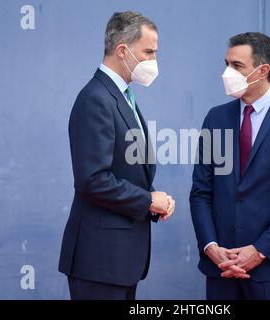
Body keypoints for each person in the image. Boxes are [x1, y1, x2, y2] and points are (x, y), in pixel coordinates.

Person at [190, 32, 270, 300]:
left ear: (263, 71)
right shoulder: (216, 118)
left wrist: (260, 249)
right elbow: (201, 191)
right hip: (221, 269)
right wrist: (211, 246)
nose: (227, 72)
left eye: (236, 66)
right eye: (226, 64)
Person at [58, 11, 175, 300]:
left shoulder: (120, 95)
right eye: (148, 52)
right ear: (123, 50)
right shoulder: (96, 98)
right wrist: (147, 199)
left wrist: (151, 202)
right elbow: (93, 180)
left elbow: (124, 171)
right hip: (99, 261)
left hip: (118, 261)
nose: (153, 61)